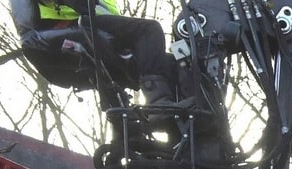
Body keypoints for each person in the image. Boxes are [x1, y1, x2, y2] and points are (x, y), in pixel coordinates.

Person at [15, 0, 178, 104]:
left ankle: (126, 130)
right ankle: (158, 102)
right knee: (149, 30)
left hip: (97, 25)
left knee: (169, 64)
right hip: (75, 21)